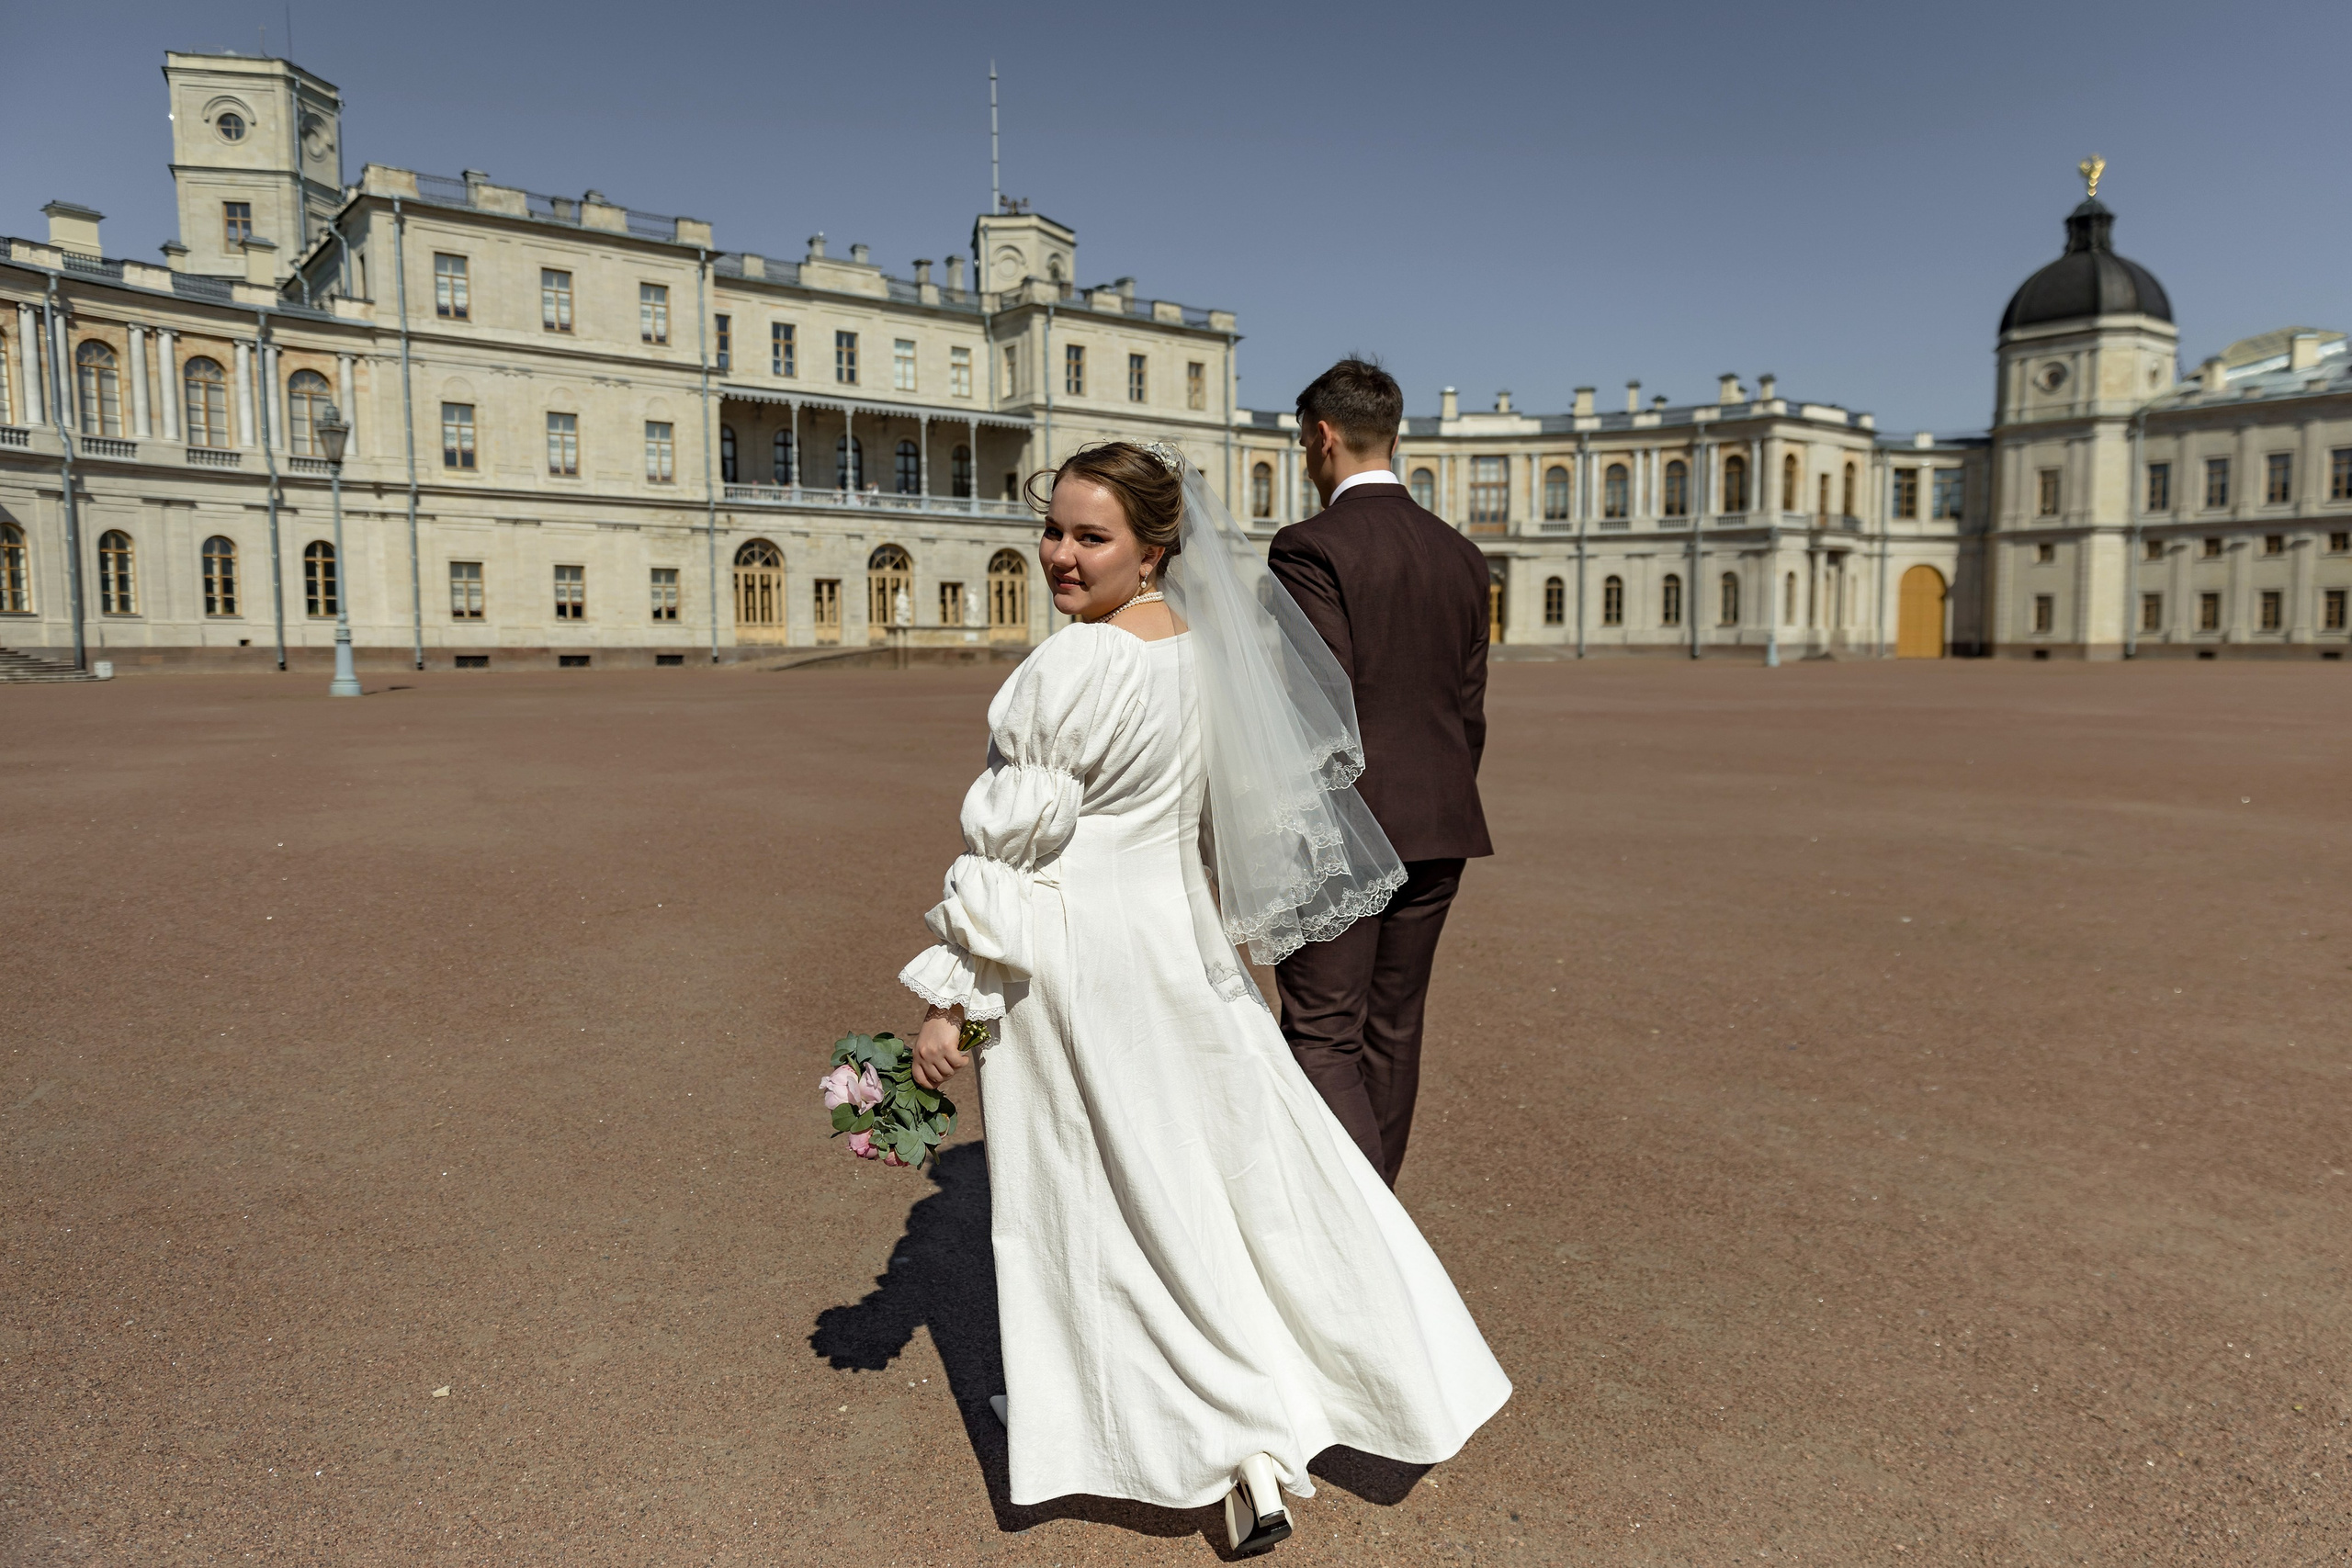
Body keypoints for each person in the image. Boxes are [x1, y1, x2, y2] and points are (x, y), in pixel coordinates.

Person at [896, 442, 1509, 1554]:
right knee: (1213, 1181)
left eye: (1092, 537)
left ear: (1151, 548)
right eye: (1054, 531)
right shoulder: (1199, 649)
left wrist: (952, 997)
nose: (1062, 555)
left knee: (1098, 1198)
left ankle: (1193, 1427)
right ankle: (1257, 1433)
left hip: (1075, 961)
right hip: (1180, 949)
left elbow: (1012, 857)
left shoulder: (1073, 667)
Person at [1265, 359, 1493, 1190]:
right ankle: (1381, 1214)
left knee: (1323, 1032)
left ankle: (1357, 1233)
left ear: (1323, 436)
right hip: (1441, 821)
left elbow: (1314, 705)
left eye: (1303, 442)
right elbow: (1468, 709)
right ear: (1393, 436)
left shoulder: (1309, 547)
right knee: (1394, 1028)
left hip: (1342, 829)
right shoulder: (1461, 554)